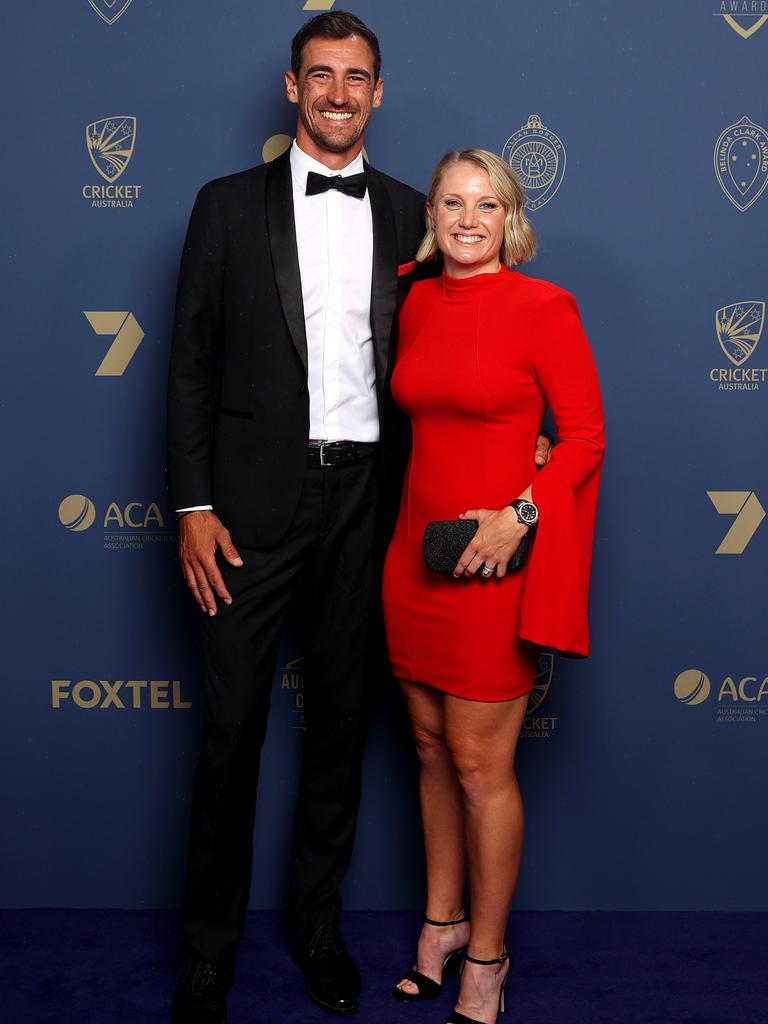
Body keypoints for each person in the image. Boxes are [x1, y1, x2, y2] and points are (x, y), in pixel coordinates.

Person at [166, 11, 552, 1020]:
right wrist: (194, 504)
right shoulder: (222, 208)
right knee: (231, 730)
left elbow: (475, 350)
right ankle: (207, 950)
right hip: (246, 511)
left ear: (380, 93)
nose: (339, 92)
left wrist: (534, 459)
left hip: (371, 511)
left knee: (339, 730)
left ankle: (317, 928)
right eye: (321, 75)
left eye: (358, 77)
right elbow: (190, 368)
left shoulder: (411, 217)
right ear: (293, 89)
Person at [382, 149, 605, 1024]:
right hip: (413, 558)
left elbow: (583, 436)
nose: (466, 219)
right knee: (430, 752)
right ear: (431, 214)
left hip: (492, 564)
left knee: (481, 768)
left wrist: (521, 509)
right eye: (451, 202)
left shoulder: (543, 306)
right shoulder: (417, 300)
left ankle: (486, 958)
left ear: (508, 216)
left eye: (485, 204)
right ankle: (439, 926)